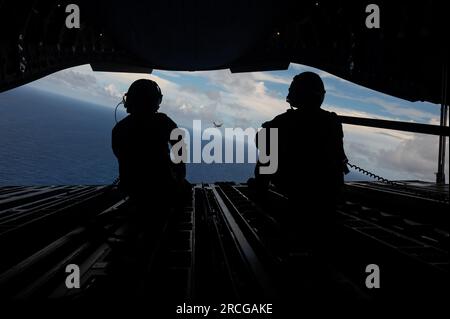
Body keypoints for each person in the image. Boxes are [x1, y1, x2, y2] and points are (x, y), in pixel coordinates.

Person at [253, 71, 348, 252]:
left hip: (296, 195)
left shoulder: (281, 123)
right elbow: (338, 160)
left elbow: (263, 151)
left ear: (296, 94)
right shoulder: (332, 122)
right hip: (326, 200)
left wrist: (259, 191)